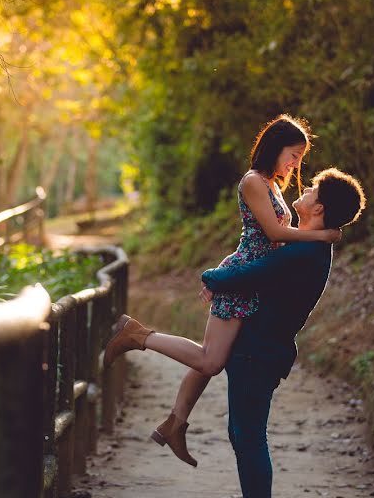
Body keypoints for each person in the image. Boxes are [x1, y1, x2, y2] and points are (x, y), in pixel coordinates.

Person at [103, 115, 341, 467]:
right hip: (243, 279)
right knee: (210, 360)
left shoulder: (272, 184)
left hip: (248, 279)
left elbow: (255, 240)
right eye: (293, 154)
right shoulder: (253, 182)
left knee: (212, 356)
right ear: (274, 148)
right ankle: (136, 334)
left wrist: (229, 270)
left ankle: (175, 423)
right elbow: (274, 235)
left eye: (300, 157)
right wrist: (321, 235)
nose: (296, 164)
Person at [199, 167, 366, 498]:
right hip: (261, 350)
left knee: (250, 436)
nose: (303, 189)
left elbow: (242, 276)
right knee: (243, 434)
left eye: (311, 189)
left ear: (318, 206)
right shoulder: (309, 246)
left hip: (260, 352)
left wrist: (210, 275)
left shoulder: (304, 250)